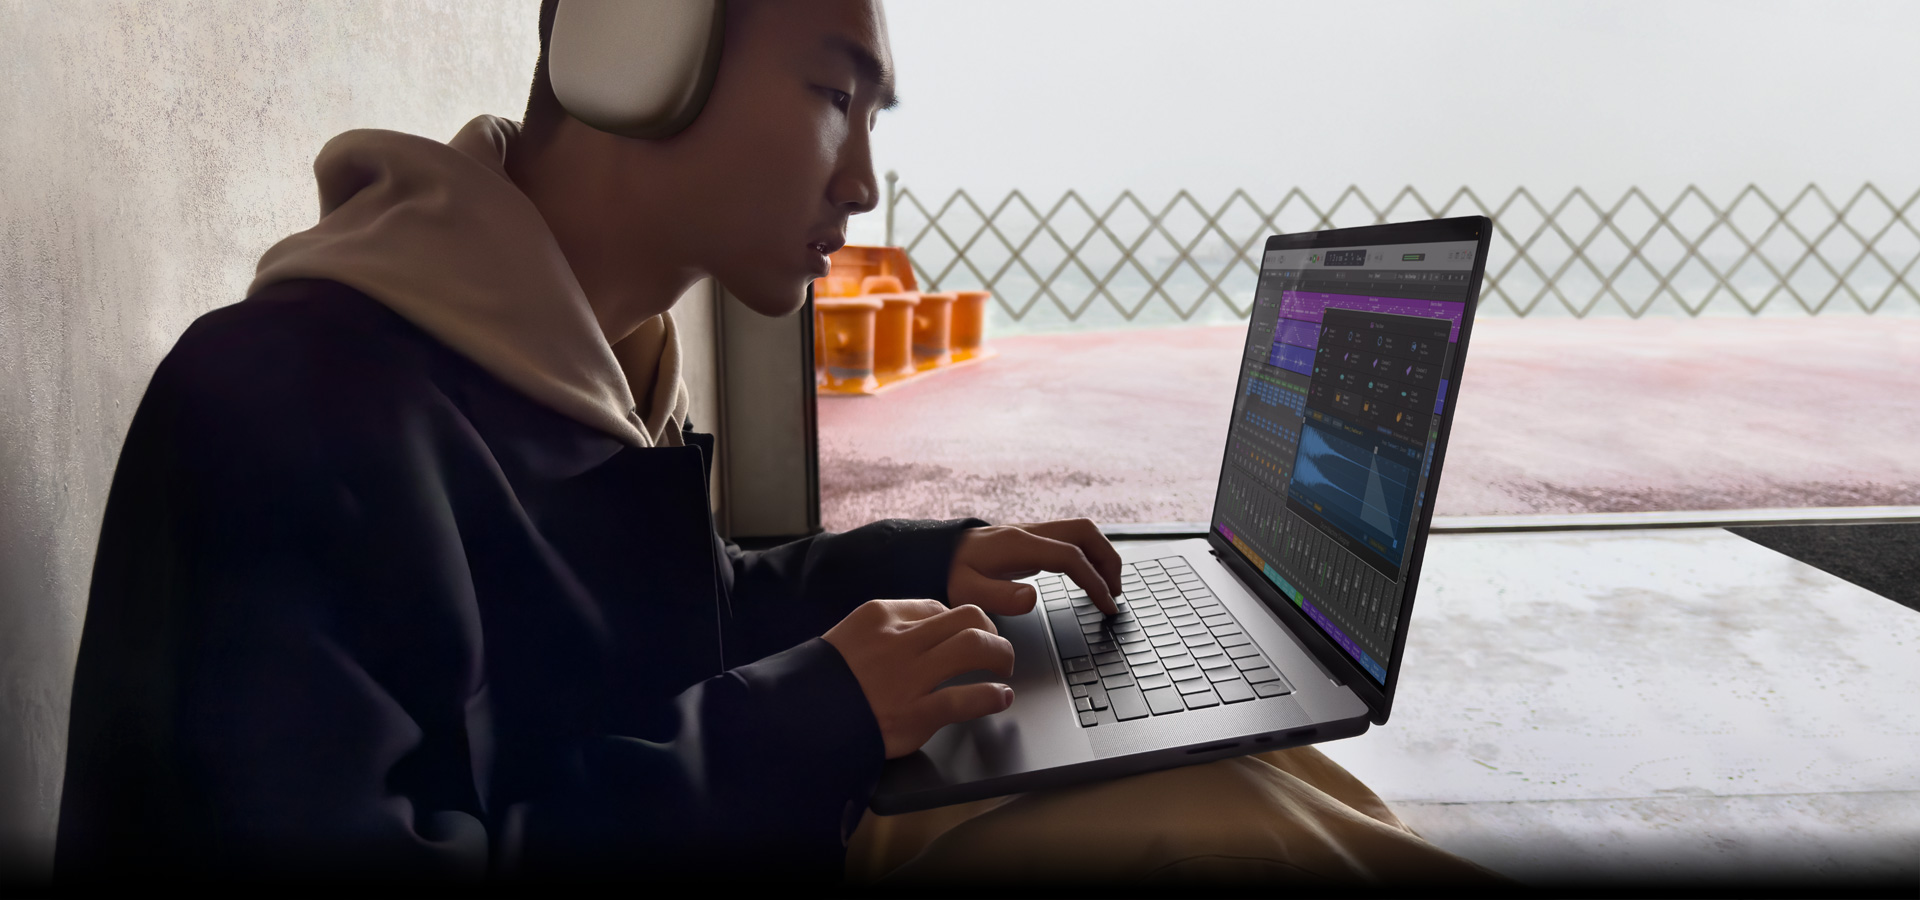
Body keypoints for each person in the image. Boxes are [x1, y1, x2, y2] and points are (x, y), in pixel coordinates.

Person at [56, 0, 1497, 887]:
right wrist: (805, 720)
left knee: (1233, 763)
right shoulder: (285, 407)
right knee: (1202, 832)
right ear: (634, 47)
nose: (864, 179)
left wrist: (933, 562)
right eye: (832, 92)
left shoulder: (583, 356)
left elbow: (666, 612)